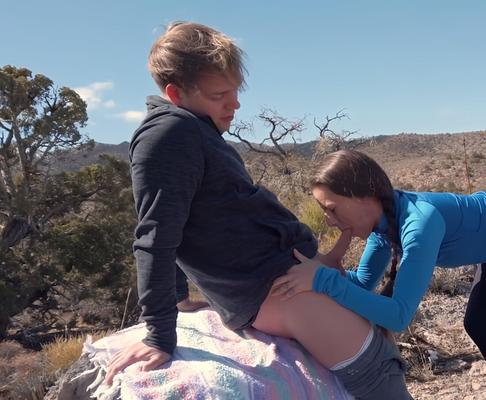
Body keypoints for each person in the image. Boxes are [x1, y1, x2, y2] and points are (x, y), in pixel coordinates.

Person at [104, 22, 411, 399]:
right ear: (175, 93)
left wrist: (180, 297)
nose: (234, 104)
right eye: (220, 95)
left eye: (234, 92)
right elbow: (156, 236)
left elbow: (189, 219)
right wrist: (159, 333)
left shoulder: (191, 129)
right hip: (285, 292)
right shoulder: (167, 136)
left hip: (293, 281)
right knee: (379, 375)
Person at [273, 149, 486, 400]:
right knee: (480, 324)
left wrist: (324, 282)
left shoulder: (420, 223)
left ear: (366, 197)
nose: (328, 221)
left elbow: (398, 316)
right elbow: (363, 284)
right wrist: (331, 272)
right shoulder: (383, 226)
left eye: (332, 209)